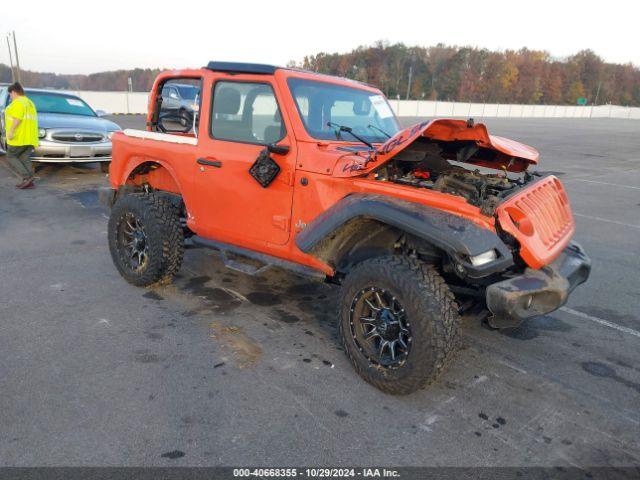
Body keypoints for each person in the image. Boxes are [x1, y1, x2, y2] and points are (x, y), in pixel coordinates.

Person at [4, 82, 39, 189]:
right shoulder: (30, 103)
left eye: (10, 94)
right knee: (24, 157)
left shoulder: (18, 103)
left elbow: (17, 118)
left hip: (18, 137)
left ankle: (26, 177)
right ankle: (29, 181)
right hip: (29, 137)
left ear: (14, 92)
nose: (10, 96)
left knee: (11, 156)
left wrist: (10, 132)